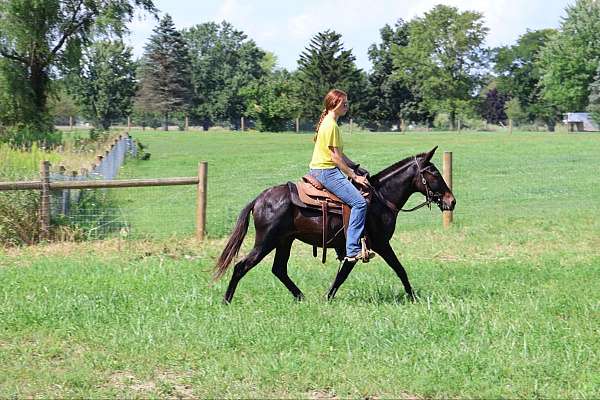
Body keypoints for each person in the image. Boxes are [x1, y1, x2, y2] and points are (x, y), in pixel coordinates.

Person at [309, 89, 374, 262]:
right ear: (333, 104)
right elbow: (335, 158)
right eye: (343, 103)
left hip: (322, 169)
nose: (347, 106)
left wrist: (354, 166)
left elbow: (340, 154)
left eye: (347, 103)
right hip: (326, 172)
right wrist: (354, 175)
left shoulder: (330, 123)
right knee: (359, 203)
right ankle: (352, 249)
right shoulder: (331, 126)